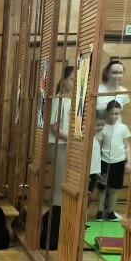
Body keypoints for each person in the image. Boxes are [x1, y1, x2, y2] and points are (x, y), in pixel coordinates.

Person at [96, 100, 131, 221]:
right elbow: (97, 147)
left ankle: (111, 213)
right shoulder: (102, 128)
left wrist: (129, 162)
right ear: (107, 113)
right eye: (112, 113)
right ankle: (99, 213)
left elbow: (127, 146)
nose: (114, 116)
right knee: (102, 188)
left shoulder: (123, 128)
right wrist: (96, 164)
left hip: (119, 162)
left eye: (117, 113)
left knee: (114, 190)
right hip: (104, 161)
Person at [48, 66, 74, 209]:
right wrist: (73, 139)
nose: (74, 83)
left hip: (69, 146)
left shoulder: (70, 101)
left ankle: (63, 214)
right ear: (63, 80)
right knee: (59, 184)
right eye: (71, 79)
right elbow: (55, 128)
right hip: (59, 146)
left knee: (67, 184)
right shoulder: (58, 100)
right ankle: (56, 216)